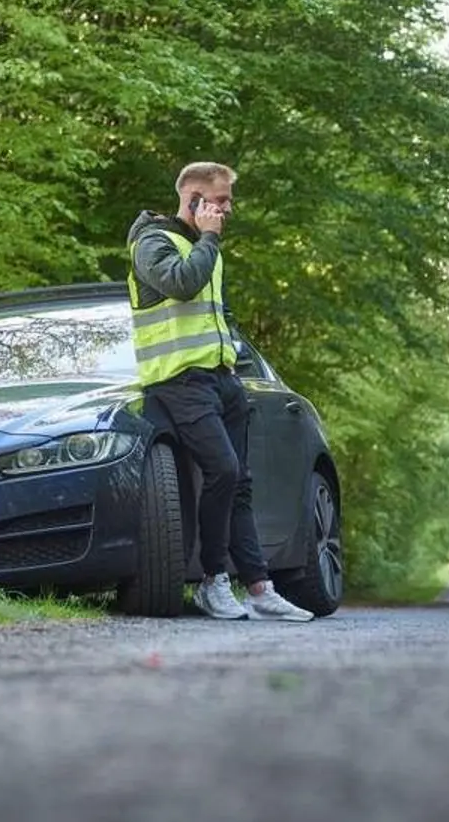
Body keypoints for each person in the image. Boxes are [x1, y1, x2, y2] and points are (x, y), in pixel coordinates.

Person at [125, 161, 314, 622]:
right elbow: (182, 284)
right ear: (193, 198)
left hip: (221, 380)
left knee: (239, 484)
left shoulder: (205, 247)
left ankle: (260, 589)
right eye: (221, 200)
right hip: (179, 380)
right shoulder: (151, 242)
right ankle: (213, 582)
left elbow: (213, 314)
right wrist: (208, 239)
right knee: (223, 472)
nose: (228, 209)